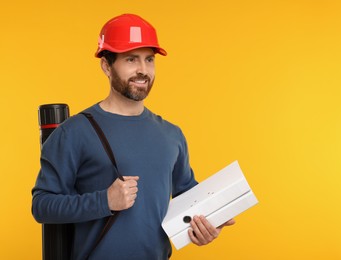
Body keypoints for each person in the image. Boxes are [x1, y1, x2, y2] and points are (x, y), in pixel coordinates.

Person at [32, 13, 235, 260]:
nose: (143, 70)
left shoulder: (171, 134)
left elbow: (188, 200)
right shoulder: (73, 133)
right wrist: (104, 201)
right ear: (106, 66)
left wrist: (208, 222)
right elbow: (42, 206)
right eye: (131, 59)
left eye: (149, 60)